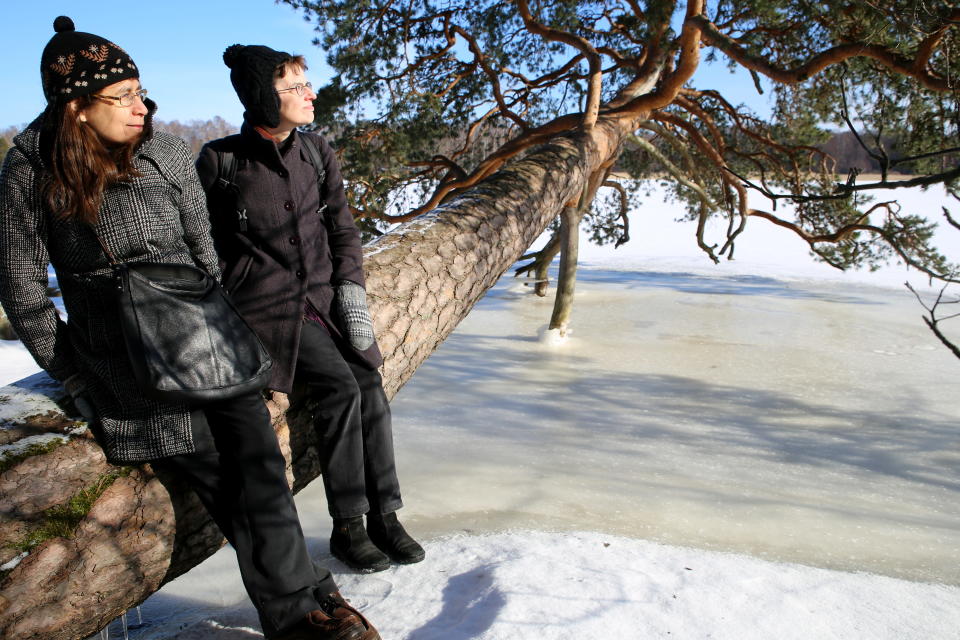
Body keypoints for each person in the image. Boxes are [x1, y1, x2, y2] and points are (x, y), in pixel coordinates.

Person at [0, 17, 379, 640]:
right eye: (121, 97)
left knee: (260, 463)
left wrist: (225, 335)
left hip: (207, 337)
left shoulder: (169, 152)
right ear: (76, 110)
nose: (140, 106)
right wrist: (71, 370)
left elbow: (205, 257)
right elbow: (21, 286)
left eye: (141, 91)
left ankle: (313, 600)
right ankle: (303, 611)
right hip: (125, 360)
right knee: (222, 474)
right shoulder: (31, 168)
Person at [196, 45, 424, 573]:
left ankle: (385, 516)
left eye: (306, 83)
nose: (310, 94)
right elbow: (199, 241)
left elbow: (343, 229)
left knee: (370, 383)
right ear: (261, 96)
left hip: (324, 298)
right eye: (295, 87)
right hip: (268, 310)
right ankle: (348, 526)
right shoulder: (222, 160)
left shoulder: (317, 152)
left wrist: (351, 292)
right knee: (341, 387)